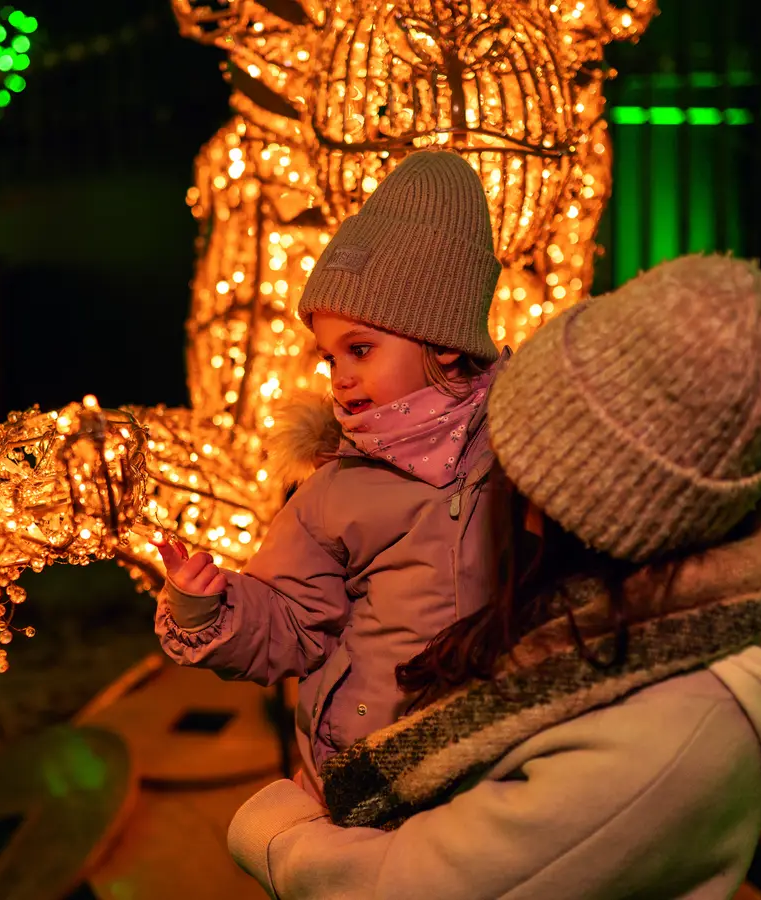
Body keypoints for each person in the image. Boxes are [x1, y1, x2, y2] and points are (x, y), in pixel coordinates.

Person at [224, 254, 761, 899]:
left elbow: (409, 887)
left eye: (520, 463)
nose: (500, 484)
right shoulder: (642, 607)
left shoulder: (657, 742)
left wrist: (278, 829)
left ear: (592, 507)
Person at [154, 150, 508, 799]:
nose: (340, 376)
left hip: (501, 760)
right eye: (329, 357)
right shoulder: (339, 488)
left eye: (361, 350)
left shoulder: (522, 444)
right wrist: (208, 608)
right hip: (372, 766)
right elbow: (292, 619)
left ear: (444, 339)